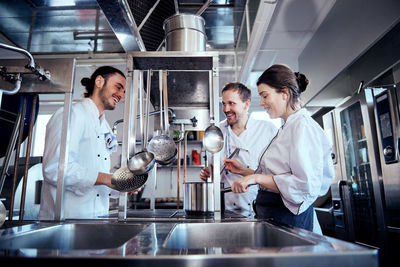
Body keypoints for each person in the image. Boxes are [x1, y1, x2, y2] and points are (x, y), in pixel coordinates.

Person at [224, 64, 334, 233]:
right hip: (275, 216)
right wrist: (246, 172)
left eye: (265, 96)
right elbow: (278, 176)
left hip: (290, 219)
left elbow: (303, 185)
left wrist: (255, 179)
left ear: (284, 93)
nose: (261, 103)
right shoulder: (287, 127)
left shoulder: (302, 127)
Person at [38, 66, 129, 220]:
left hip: (96, 218)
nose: (121, 95)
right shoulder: (71, 114)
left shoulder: (104, 125)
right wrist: (107, 178)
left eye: (123, 92)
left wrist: (120, 185)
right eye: (118, 87)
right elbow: (55, 170)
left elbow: (95, 176)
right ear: (99, 81)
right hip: (65, 221)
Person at [200, 82, 278, 217]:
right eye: (223, 104)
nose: (225, 109)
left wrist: (244, 171)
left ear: (246, 104)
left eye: (231, 103)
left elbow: (277, 178)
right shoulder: (217, 132)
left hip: (260, 209)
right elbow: (215, 173)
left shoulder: (267, 130)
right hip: (226, 210)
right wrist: (211, 175)